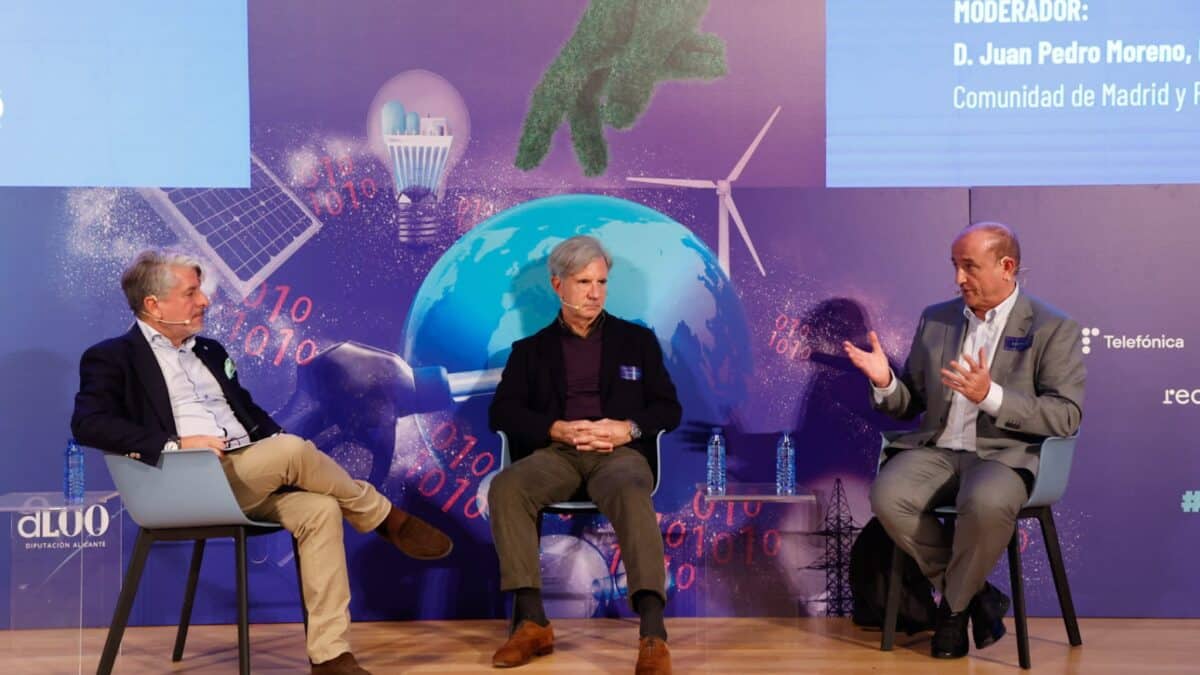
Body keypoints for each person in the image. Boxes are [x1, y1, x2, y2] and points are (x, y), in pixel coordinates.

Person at [71, 250, 454, 675]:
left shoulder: (211, 352)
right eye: (191, 293)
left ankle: (330, 656)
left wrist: (287, 455)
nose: (205, 302)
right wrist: (176, 443)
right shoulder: (112, 357)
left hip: (246, 476)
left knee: (321, 507)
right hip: (183, 483)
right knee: (291, 451)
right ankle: (382, 515)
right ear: (153, 305)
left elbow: (252, 418)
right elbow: (89, 424)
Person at [843, 222, 1085, 659]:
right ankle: (975, 598)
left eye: (969, 267)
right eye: (955, 266)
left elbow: (1065, 415)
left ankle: (952, 614)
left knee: (987, 503)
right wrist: (884, 382)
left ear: (1006, 266)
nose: (958, 279)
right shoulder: (936, 318)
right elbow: (909, 402)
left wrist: (990, 396)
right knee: (889, 495)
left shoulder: (1053, 328)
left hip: (1005, 456)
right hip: (937, 450)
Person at [487, 236, 681, 674]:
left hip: (617, 456)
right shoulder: (529, 351)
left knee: (633, 491)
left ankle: (653, 632)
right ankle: (533, 622)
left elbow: (668, 407)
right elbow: (502, 411)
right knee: (507, 487)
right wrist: (553, 428)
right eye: (583, 282)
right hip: (557, 453)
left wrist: (625, 429)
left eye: (602, 282)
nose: (595, 292)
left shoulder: (637, 341)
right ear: (558, 285)